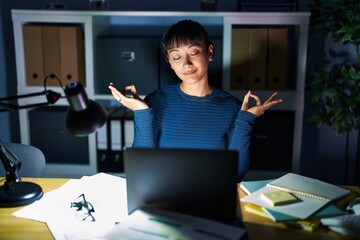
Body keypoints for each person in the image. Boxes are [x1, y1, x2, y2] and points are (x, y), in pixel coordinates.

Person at [108, 19, 282, 180]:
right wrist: (142, 112)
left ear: (210, 52)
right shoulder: (156, 102)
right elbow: (141, 167)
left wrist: (246, 120)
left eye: (194, 52)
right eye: (177, 57)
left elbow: (236, 175)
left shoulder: (232, 107)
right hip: (163, 197)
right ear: (169, 61)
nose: (186, 63)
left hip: (213, 199)